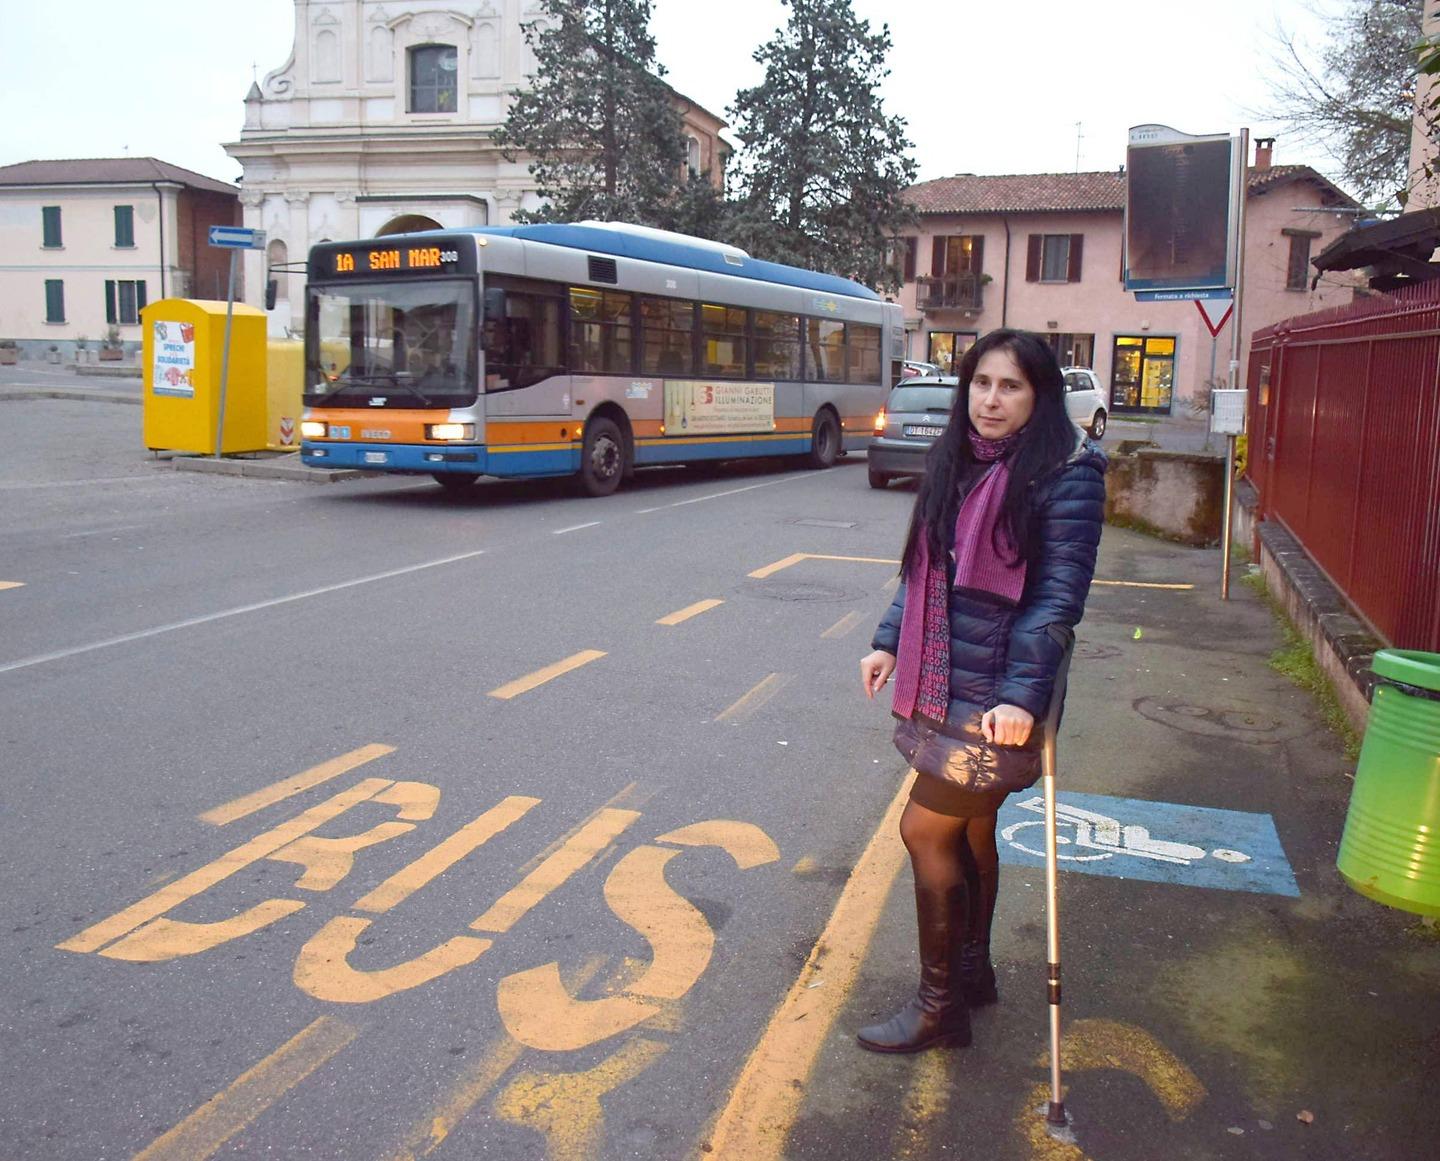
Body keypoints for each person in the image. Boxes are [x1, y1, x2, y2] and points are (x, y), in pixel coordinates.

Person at [856, 328, 1106, 1054]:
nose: (991, 400)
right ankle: (972, 971)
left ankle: (941, 1008)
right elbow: (924, 564)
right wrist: (885, 639)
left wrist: (1022, 697)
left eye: (1011, 386)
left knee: (924, 828)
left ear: (1041, 395)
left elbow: (1057, 596)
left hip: (999, 691)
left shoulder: (1067, 472)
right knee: (967, 828)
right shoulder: (959, 457)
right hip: (943, 673)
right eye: (982, 383)